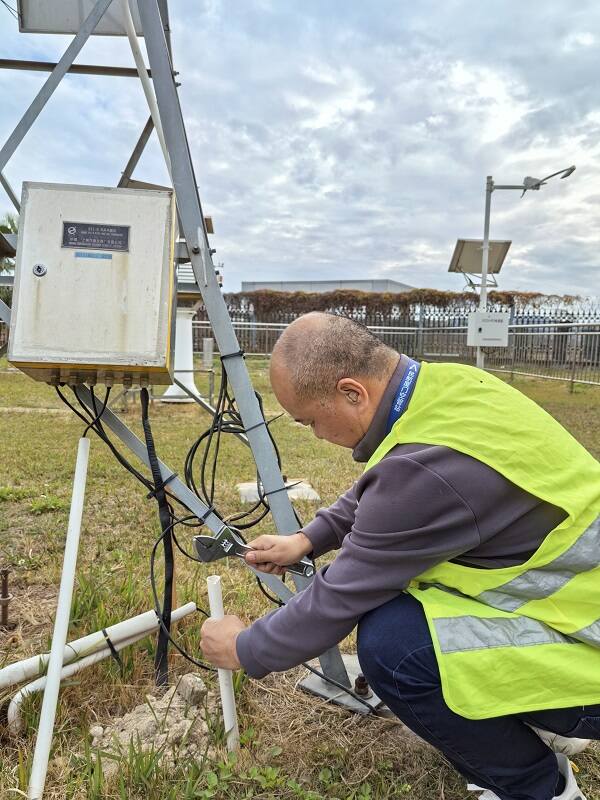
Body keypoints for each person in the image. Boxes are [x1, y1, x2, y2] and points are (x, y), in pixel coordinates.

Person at [200, 311, 600, 800]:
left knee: (394, 648)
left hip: (587, 649)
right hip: (575, 614)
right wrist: (310, 538)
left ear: (352, 392)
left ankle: (539, 788)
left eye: (309, 420)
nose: (314, 434)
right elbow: (390, 480)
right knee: (408, 619)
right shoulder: (452, 386)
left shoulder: (425, 473)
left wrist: (243, 647)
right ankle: (536, 726)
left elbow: (334, 602)